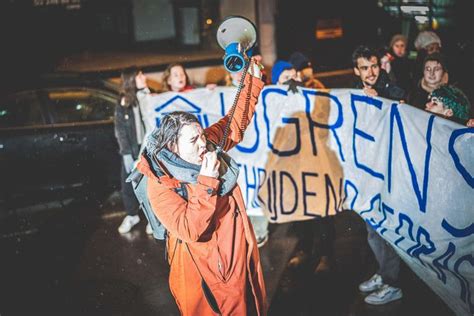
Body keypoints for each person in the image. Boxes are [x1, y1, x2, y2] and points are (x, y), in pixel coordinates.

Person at [136, 58, 267, 315]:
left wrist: (251, 78)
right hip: (211, 276)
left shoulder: (202, 145)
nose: (203, 145)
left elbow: (233, 123)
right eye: (194, 140)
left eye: (203, 137)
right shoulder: (159, 183)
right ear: (172, 147)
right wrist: (207, 183)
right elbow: (189, 229)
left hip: (236, 255)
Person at [115, 67, 153, 235]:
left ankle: (153, 218)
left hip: (148, 148)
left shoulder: (147, 96)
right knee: (128, 183)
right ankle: (132, 215)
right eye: (139, 75)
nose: (144, 77)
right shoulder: (124, 102)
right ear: (131, 80)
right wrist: (126, 154)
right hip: (132, 149)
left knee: (150, 184)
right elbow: (121, 131)